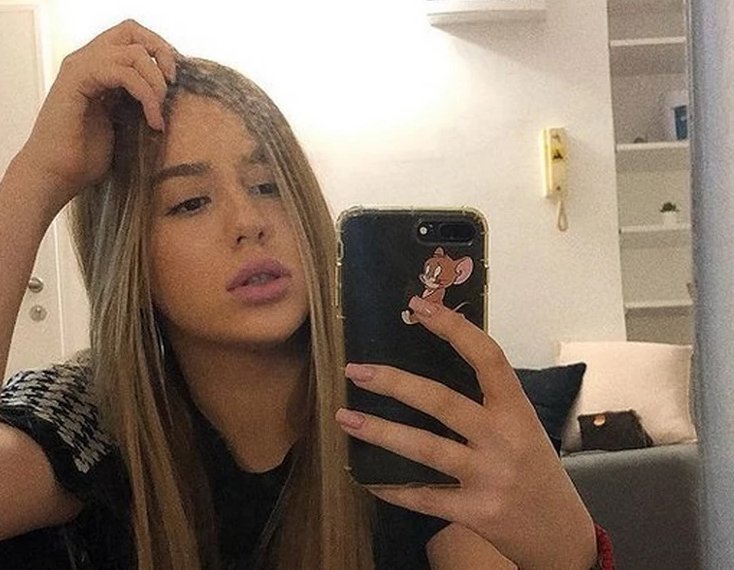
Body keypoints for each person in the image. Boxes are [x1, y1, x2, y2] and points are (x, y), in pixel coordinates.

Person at [0, 19, 613, 570]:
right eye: (190, 202)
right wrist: (36, 176)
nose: (249, 222)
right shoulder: (86, 418)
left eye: (269, 186)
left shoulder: (391, 421)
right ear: (126, 257)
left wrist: (569, 551)